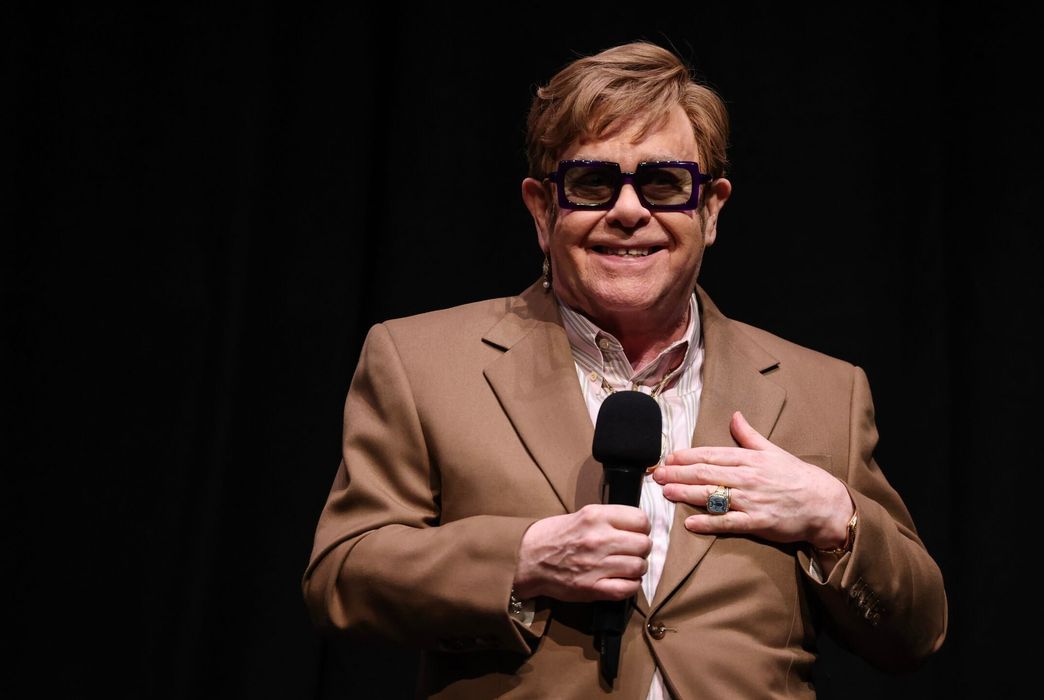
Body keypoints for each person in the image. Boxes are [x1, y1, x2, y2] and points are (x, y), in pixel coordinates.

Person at [303, 41, 947, 698]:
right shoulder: (421, 362)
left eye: (664, 183)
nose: (630, 210)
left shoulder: (824, 391)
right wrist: (523, 559)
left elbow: (916, 634)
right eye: (592, 183)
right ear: (542, 208)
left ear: (710, 209)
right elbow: (340, 578)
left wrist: (835, 520)